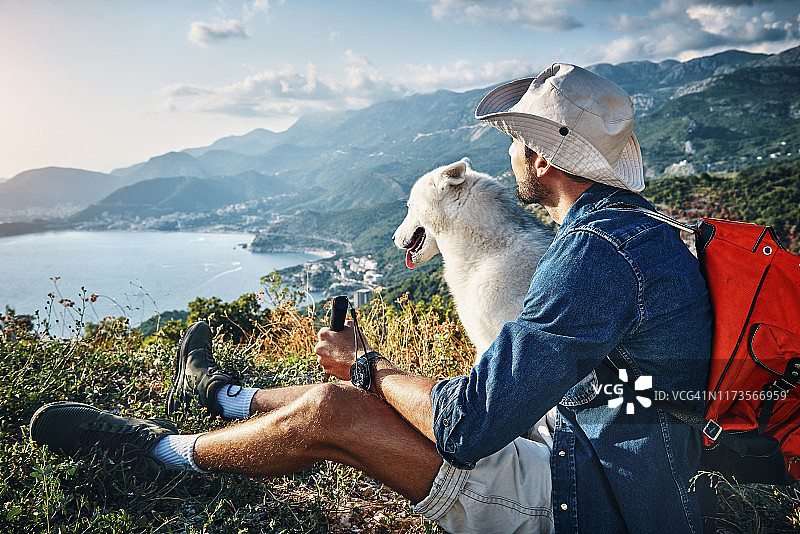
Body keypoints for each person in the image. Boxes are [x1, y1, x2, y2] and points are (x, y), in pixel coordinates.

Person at [30, 64, 712, 533]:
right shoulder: (647, 230)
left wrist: (370, 366)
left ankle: (155, 451)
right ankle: (221, 396)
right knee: (402, 389)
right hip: (624, 466)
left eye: (516, 143)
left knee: (340, 406)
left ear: (542, 158)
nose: (509, 158)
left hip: (587, 501)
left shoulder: (595, 254)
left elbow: (465, 425)